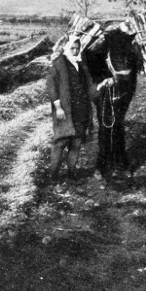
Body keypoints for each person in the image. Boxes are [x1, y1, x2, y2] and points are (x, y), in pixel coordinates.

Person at [46, 36, 98, 184]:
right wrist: (58, 107)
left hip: (81, 111)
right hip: (65, 112)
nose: (75, 51)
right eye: (72, 48)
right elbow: (51, 87)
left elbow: (90, 88)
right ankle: (53, 178)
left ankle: (71, 174)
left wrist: (101, 87)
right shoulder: (58, 65)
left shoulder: (81, 66)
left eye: (77, 48)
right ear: (66, 49)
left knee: (76, 144)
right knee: (60, 143)